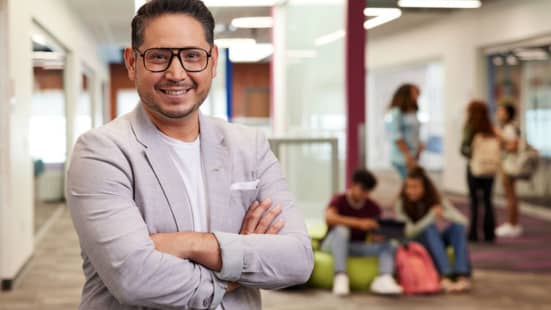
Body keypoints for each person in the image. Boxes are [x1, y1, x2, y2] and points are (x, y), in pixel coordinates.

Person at [66, 1, 313, 309]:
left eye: (192, 56)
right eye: (158, 57)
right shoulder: (101, 152)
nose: (176, 73)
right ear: (132, 62)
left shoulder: (250, 146)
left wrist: (193, 244)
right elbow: (134, 279)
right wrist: (236, 267)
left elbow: (298, 259)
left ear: (212, 61)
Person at [320, 169, 402, 296]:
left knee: (390, 244)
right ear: (353, 185)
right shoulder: (339, 199)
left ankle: (384, 277)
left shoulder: (373, 207)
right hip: (332, 244)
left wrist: (380, 235)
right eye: (363, 189)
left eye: (368, 191)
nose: (365, 194)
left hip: (354, 247)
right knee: (342, 230)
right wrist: (359, 223)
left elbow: (374, 236)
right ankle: (340, 275)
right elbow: (329, 218)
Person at [394, 166, 472, 293]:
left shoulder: (435, 198)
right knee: (430, 228)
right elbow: (409, 232)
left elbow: (463, 221)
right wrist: (431, 216)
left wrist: (444, 213)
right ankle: (445, 275)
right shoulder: (400, 202)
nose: (411, 191)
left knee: (457, 228)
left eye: (415, 187)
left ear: (424, 188)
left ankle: (461, 275)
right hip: (414, 241)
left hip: (434, 239)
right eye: (408, 187)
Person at [460, 100, 499, 242]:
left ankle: (473, 233)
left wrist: (473, 154)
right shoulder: (490, 128)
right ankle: (489, 233)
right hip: (490, 169)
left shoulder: (470, 128)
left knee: (474, 201)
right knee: (488, 201)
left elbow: (464, 149)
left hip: (475, 168)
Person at [495, 103, 522, 237]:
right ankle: (513, 223)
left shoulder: (509, 128)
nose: (498, 113)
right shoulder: (510, 127)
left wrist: (501, 143)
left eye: (501, 111)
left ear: (507, 114)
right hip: (508, 164)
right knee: (511, 194)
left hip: (509, 165)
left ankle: (512, 224)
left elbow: (514, 146)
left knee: (510, 195)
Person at [386, 84, 424, 179]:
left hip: (413, 153)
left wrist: (419, 146)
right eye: (415, 93)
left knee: (413, 181)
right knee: (411, 182)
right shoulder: (396, 112)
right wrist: (407, 155)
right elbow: (396, 136)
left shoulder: (412, 112)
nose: (417, 96)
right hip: (403, 156)